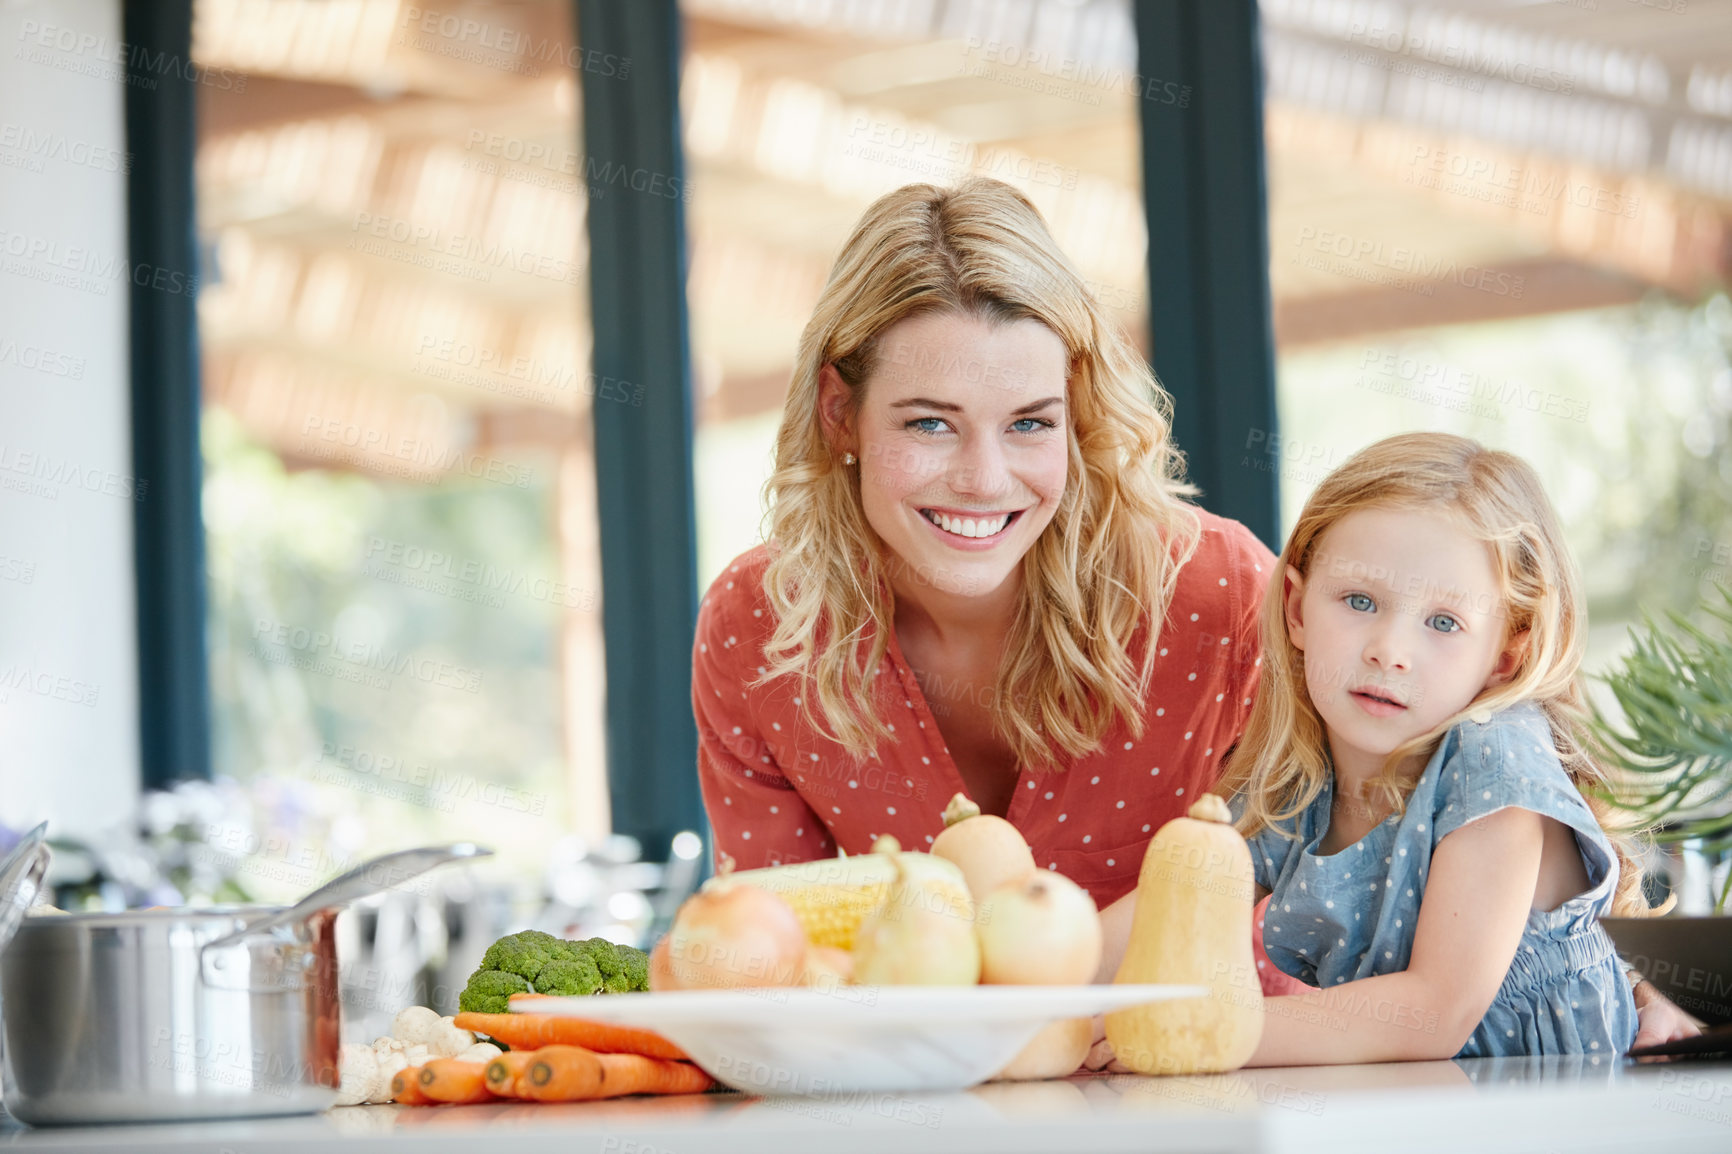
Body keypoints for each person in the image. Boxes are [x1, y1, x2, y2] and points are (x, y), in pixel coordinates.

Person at [690, 176, 1300, 994]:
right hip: (917, 1107)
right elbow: (767, 954)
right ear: (841, 414)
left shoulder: (1222, 597)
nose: (984, 479)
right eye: (929, 423)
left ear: (1076, 410)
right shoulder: (757, 628)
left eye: (1029, 424)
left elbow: (1308, 893)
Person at [1217, 432, 1682, 1062]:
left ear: (1506, 655)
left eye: (1444, 623)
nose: (1390, 649)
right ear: (1297, 610)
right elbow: (1179, 894)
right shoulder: (1302, 776)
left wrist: (1198, 1032)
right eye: (1360, 600)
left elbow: (1430, 1014)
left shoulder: (1496, 764)